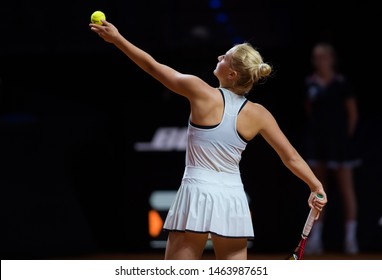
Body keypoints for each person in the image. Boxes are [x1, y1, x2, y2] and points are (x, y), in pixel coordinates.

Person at [89, 20, 327, 260]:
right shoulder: (259, 114)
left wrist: (117, 39)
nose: (219, 55)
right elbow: (291, 157)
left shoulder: (199, 90)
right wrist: (315, 186)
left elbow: (152, 67)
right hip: (233, 199)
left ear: (232, 74)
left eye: (225, 57)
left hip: (196, 193)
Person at [301, 42, 360, 254]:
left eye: (323, 57)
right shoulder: (310, 83)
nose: (319, 61)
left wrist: (344, 139)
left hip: (340, 145)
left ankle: (350, 239)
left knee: (346, 189)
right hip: (318, 144)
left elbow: (352, 113)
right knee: (318, 189)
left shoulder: (342, 83)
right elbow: (309, 111)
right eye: (316, 57)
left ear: (331, 59)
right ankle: (315, 239)